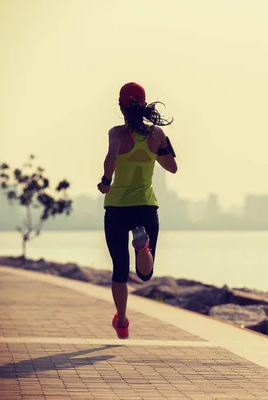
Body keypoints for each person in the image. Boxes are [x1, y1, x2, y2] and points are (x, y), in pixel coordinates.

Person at [97, 82, 177, 339]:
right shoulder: (157, 136)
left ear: (120, 106)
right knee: (145, 273)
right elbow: (172, 167)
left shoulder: (117, 133)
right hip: (145, 205)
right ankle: (142, 247)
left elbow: (111, 157)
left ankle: (122, 321)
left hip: (118, 206)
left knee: (120, 268)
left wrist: (106, 180)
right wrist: (159, 149)